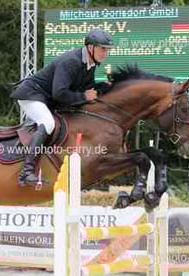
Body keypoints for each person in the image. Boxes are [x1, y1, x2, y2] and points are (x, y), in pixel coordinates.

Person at [10, 28, 115, 186]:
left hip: (47, 98)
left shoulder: (90, 63)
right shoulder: (71, 61)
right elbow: (59, 93)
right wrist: (83, 97)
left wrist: (104, 87)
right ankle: (26, 172)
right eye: (103, 49)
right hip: (32, 95)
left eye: (107, 50)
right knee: (48, 123)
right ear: (90, 47)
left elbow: (85, 88)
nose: (105, 53)